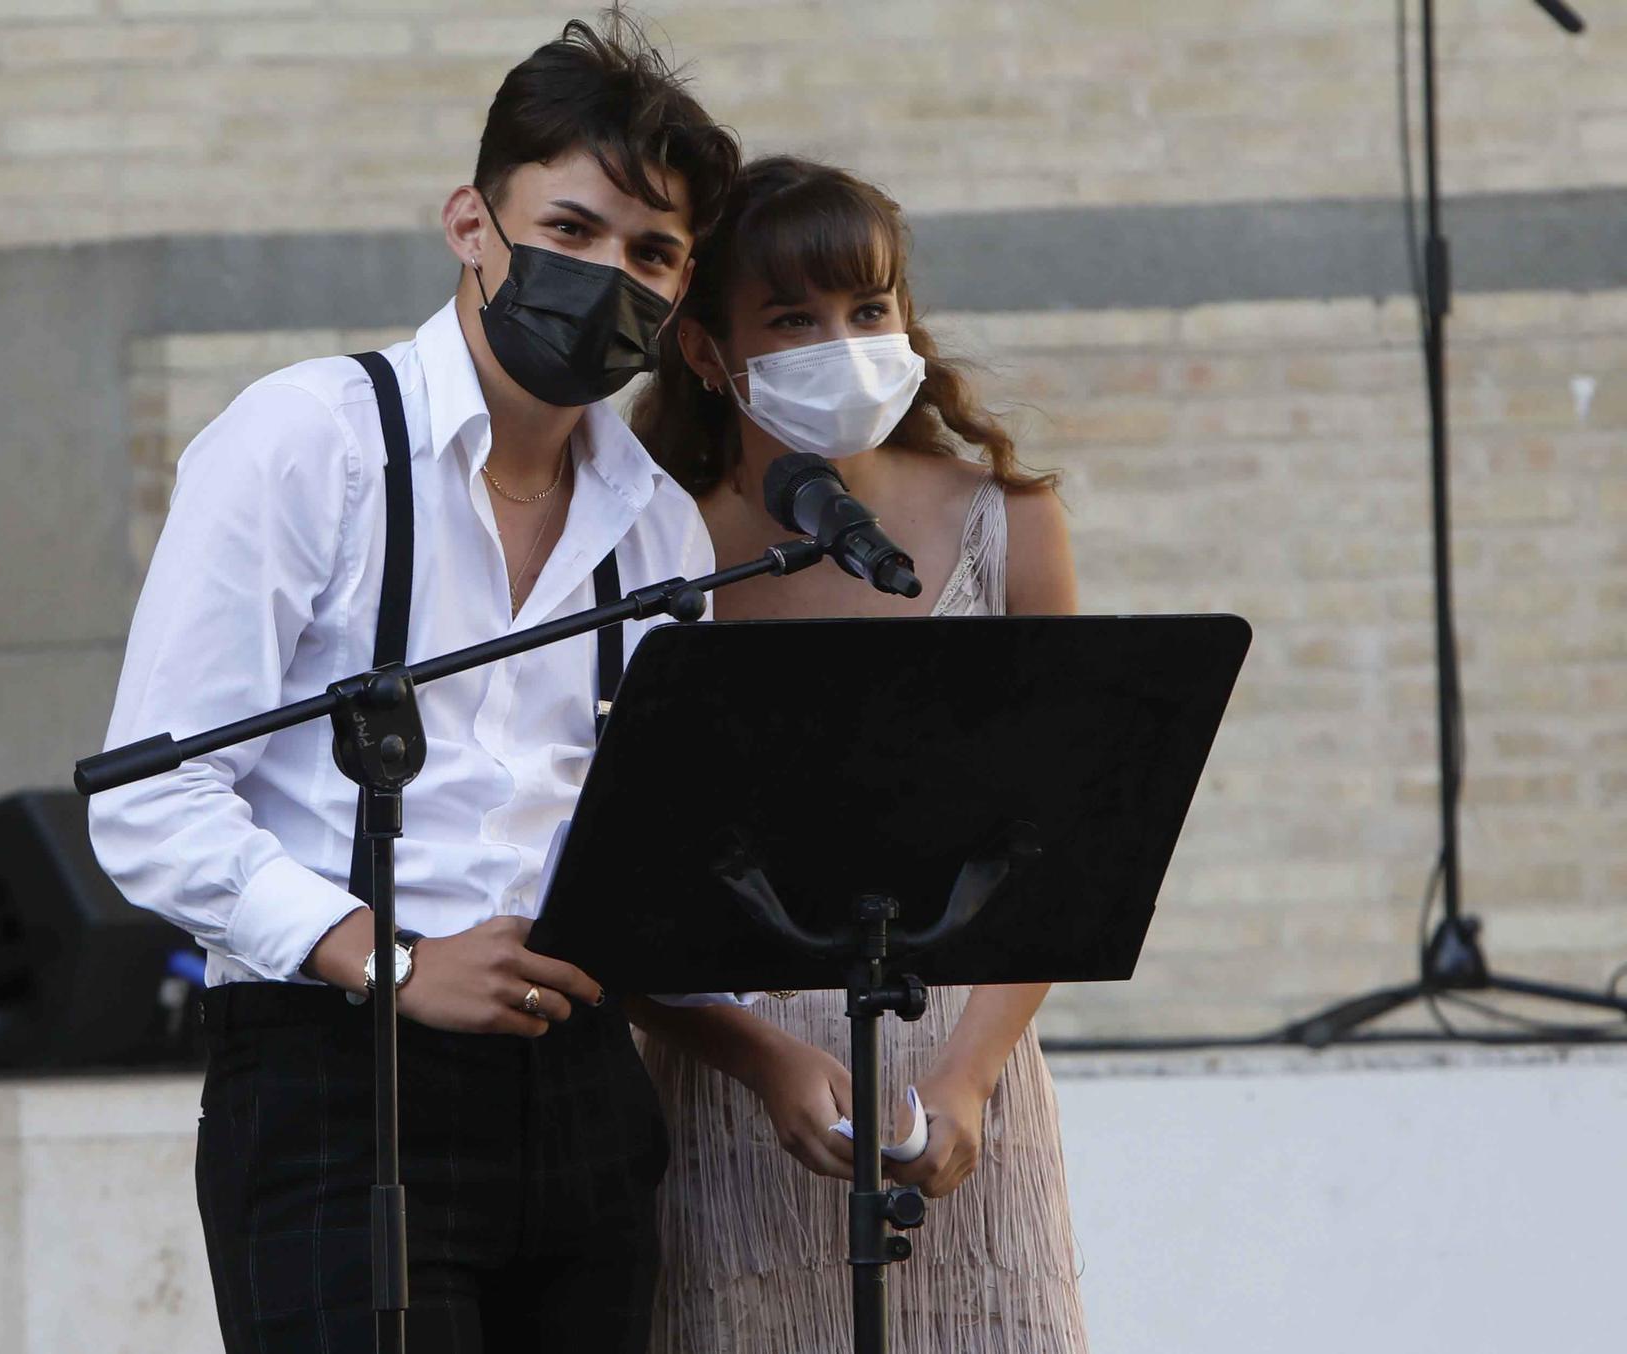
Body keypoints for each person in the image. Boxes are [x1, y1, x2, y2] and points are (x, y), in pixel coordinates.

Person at [87, 19, 740, 1353]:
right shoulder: (309, 441)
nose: (606, 273)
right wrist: (386, 961)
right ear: (470, 223)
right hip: (338, 1080)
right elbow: (149, 800)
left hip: (584, 1094)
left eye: (651, 253)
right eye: (570, 226)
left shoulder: (660, 527)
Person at [628, 155, 1089, 1352]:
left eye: (866, 308)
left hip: (961, 1079)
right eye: (791, 319)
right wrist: (752, 1054)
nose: (843, 341)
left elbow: (1068, 841)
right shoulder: (646, 550)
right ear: (704, 351)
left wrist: (969, 1075)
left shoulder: (1010, 525)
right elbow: (609, 876)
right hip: (734, 1086)